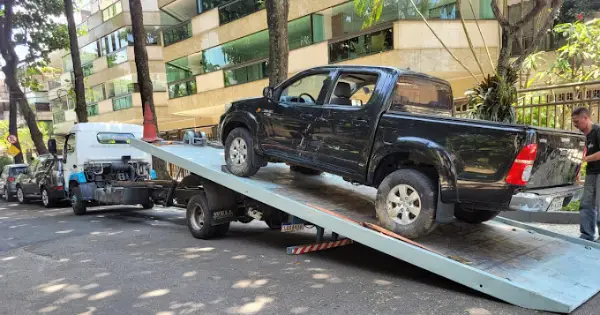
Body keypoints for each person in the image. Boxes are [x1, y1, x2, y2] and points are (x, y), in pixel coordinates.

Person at [572, 107, 600, 241]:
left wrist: (584, 159)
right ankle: (586, 235)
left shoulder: (598, 131)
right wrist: (577, 172)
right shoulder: (583, 137)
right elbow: (580, 155)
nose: (575, 125)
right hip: (591, 172)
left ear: (586, 118)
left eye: (577, 122)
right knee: (586, 203)